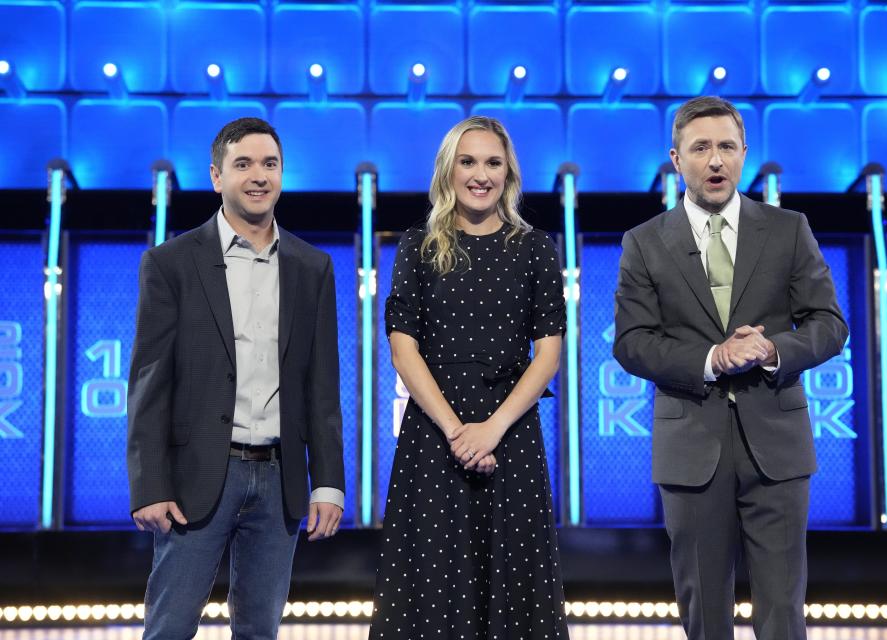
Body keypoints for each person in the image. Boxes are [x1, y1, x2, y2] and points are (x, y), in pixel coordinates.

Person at [613, 96, 848, 640]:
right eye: (700, 148)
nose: (714, 160)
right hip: (691, 445)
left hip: (778, 444)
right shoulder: (644, 243)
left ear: (744, 154)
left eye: (726, 147)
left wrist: (772, 351)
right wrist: (712, 359)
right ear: (677, 159)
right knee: (703, 610)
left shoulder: (789, 230)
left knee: (784, 609)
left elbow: (829, 324)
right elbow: (632, 343)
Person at [126, 117, 345, 639]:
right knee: (170, 629)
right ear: (216, 176)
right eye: (242, 164)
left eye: (269, 164)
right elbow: (149, 381)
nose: (258, 175)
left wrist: (330, 483)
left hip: (279, 480)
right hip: (197, 476)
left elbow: (322, 386)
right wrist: (148, 484)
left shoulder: (311, 267)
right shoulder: (171, 262)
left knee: (259, 631)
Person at [368, 116, 570, 639]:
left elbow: (548, 353)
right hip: (434, 437)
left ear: (509, 173)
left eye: (493, 163)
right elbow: (402, 347)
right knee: (431, 589)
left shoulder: (536, 249)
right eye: (469, 161)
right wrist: (458, 431)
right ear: (448, 171)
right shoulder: (416, 245)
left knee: (514, 583)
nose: (481, 174)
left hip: (511, 436)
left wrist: (491, 429)